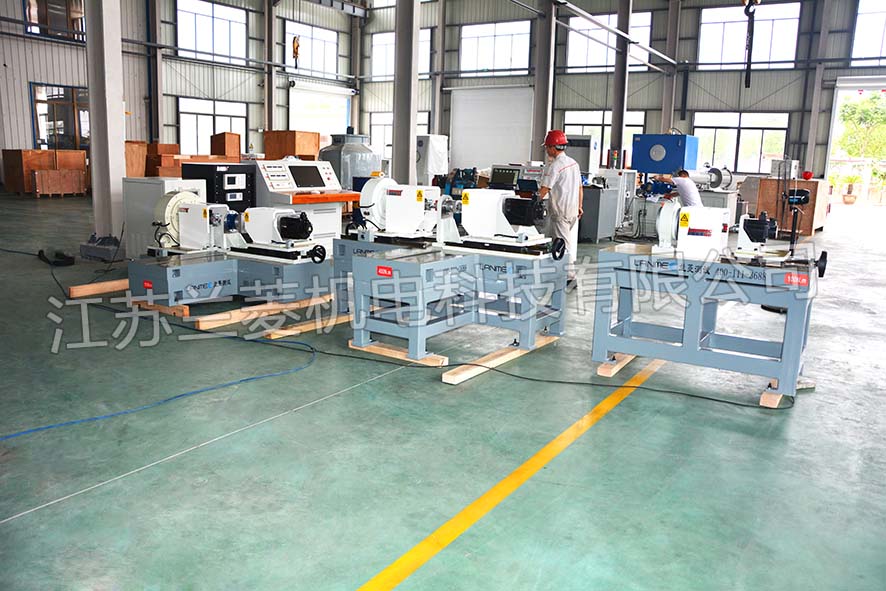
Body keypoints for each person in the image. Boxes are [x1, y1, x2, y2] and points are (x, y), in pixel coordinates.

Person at [538, 129, 582, 289]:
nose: (546, 150)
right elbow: (580, 187)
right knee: (553, 241)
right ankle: (552, 273)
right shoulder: (574, 163)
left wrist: (532, 202)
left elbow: (544, 189)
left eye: (547, 147)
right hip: (572, 211)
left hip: (560, 212)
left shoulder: (555, 166)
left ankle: (570, 278)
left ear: (552, 147)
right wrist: (580, 206)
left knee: (562, 245)